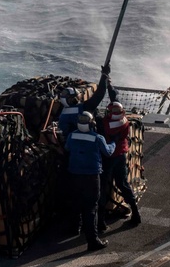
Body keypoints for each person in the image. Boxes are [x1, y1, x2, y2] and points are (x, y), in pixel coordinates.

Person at [65, 111, 114, 251]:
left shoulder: (71, 135)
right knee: (91, 208)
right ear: (92, 124)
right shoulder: (97, 138)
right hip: (91, 177)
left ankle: (75, 228)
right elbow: (108, 152)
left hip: (74, 175)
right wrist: (114, 143)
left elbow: (67, 148)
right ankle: (93, 241)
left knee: (76, 202)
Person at [98, 100, 141, 231]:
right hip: (121, 156)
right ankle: (135, 212)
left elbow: (101, 130)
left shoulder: (104, 123)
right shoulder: (125, 121)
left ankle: (100, 221)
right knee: (123, 183)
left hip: (108, 158)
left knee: (102, 187)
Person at [57, 64, 112, 137]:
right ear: (73, 100)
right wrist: (104, 75)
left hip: (70, 141)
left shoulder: (62, 113)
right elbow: (99, 94)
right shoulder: (83, 108)